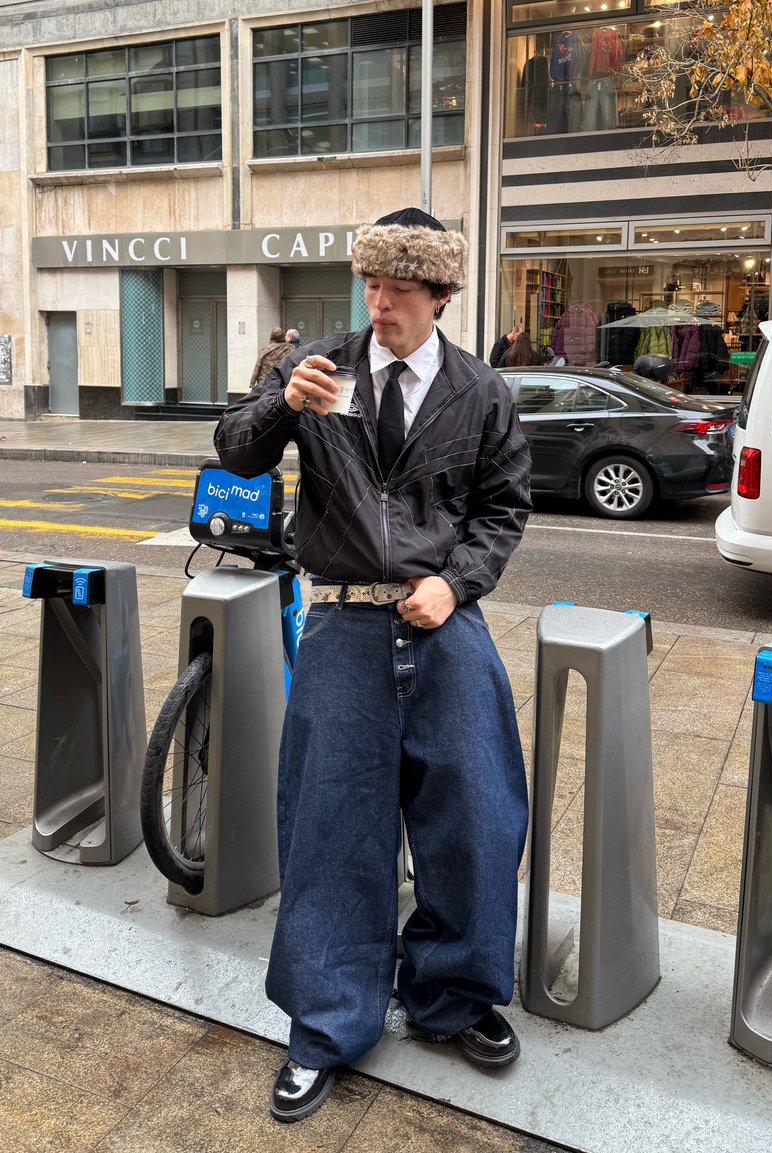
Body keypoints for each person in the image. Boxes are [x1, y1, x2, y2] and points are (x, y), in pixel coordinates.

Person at [214, 207, 531, 1125]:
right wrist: (282, 398)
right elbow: (235, 450)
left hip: (444, 626)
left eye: (400, 287)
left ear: (441, 294)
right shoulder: (317, 366)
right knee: (330, 826)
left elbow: (505, 509)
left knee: (474, 813)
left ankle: (453, 996)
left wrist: (459, 581)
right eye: (372, 282)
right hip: (344, 627)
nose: (379, 301)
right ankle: (324, 1022)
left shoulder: (480, 391)